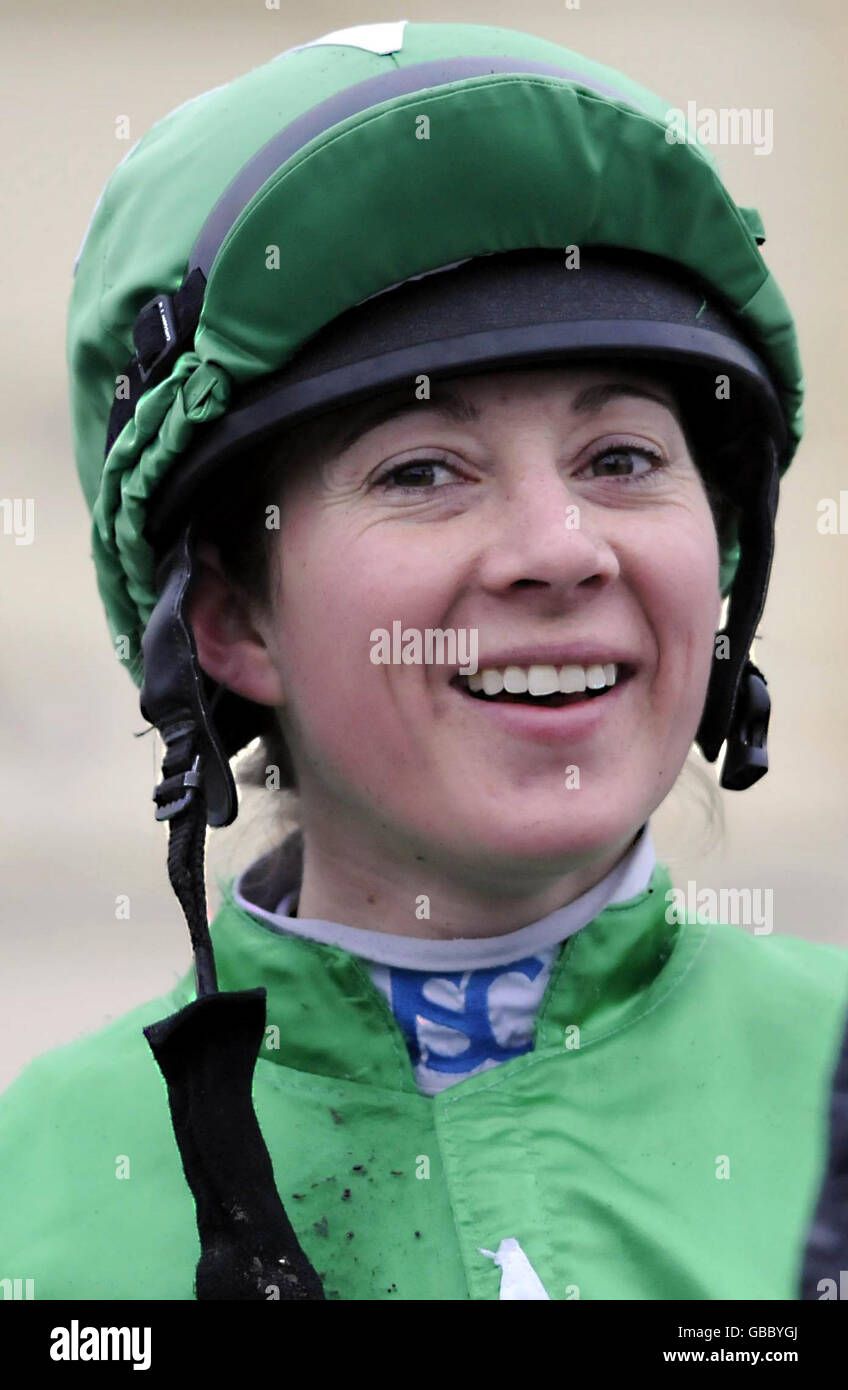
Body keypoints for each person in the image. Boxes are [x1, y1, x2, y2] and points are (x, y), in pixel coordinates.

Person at [1, 18, 846, 1302]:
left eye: (619, 457)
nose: (559, 551)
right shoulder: (38, 1194)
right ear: (228, 621)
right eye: (422, 471)